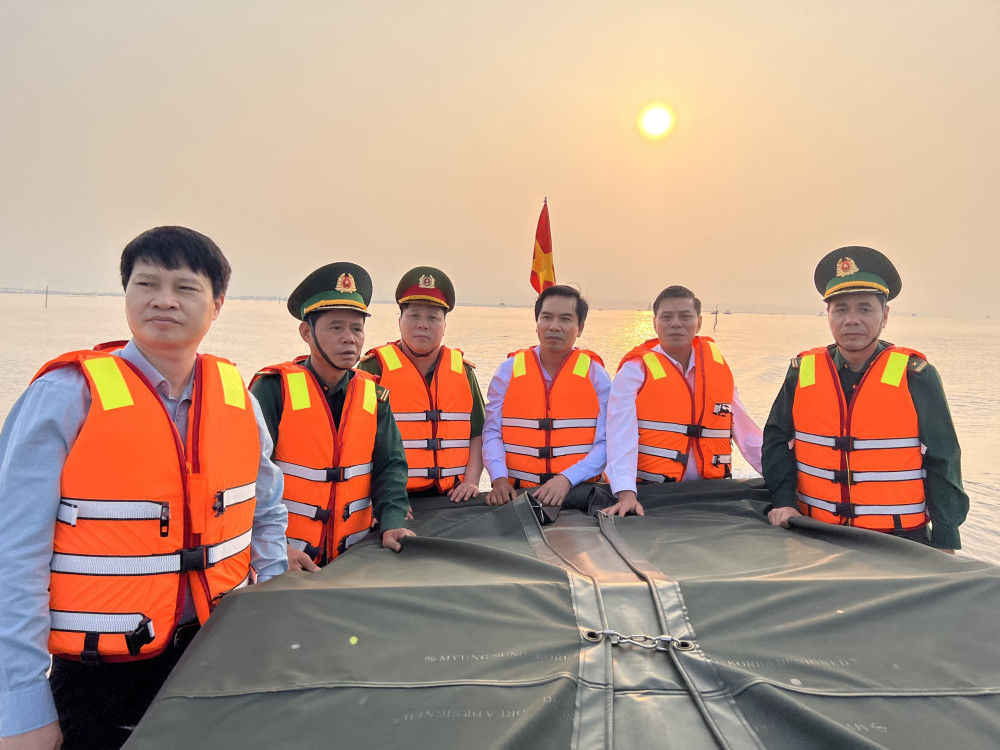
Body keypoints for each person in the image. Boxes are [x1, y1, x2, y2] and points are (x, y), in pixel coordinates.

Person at [0, 226, 288, 750]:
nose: (164, 300)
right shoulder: (65, 397)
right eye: (147, 283)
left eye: (185, 287)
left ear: (217, 305)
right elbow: (14, 555)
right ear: (126, 293)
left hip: (216, 657)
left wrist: (269, 621)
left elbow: (267, 515)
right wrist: (22, 707)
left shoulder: (239, 402)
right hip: (98, 676)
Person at [762, 246, 968, 551]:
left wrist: (945, 537)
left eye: (865, 309)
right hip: (815, 532)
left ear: (885, 316)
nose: (851, 320)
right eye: (840, 309)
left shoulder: (916, 376)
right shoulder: (801, 373)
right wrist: (783, 502)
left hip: (900, 540)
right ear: (828, 316)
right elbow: (777, 441)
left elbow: (943, 460)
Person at [250, 262, 414, 573]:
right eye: (336, 327)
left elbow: (390, 466)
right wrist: (274, 548)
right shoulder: (273, 390)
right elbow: (248, 476)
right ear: (306, 332)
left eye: (357, 328)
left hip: (355, 554)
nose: (349, 338)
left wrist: (392, 521)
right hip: (286, 557)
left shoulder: (374, 395)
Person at [604, 285, 764, 516]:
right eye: (666, 317)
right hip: (653, 494)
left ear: (698, 323)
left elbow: (748, 434)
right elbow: (619, 434)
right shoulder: (635, 370)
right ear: (655, 323)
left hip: (711, 492)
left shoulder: (717, 371)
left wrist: (780, 480)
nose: (676, 323)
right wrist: (625, 492)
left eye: (685, 316)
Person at [357, 266, 486, 503]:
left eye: (433, 317)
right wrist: (383, 499)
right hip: (395, 496)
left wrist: (471, 481)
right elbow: (357, 440)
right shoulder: (374, 368)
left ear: (445, 325)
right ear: (400, 321)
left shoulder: (463, 371)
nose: (423, 324)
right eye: (414, 315)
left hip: (453, 497)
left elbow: (477, 433)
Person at [483, 284, 612, 507]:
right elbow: (492, 431)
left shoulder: (596, 375)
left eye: (565, 319)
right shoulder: (508, 370)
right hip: (518, 493)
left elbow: (607, 441)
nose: (554, 326)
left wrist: (566, 479)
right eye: (547, 317)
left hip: (580, 492)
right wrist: (499, 479)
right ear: (537, 324)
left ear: (580, 328)